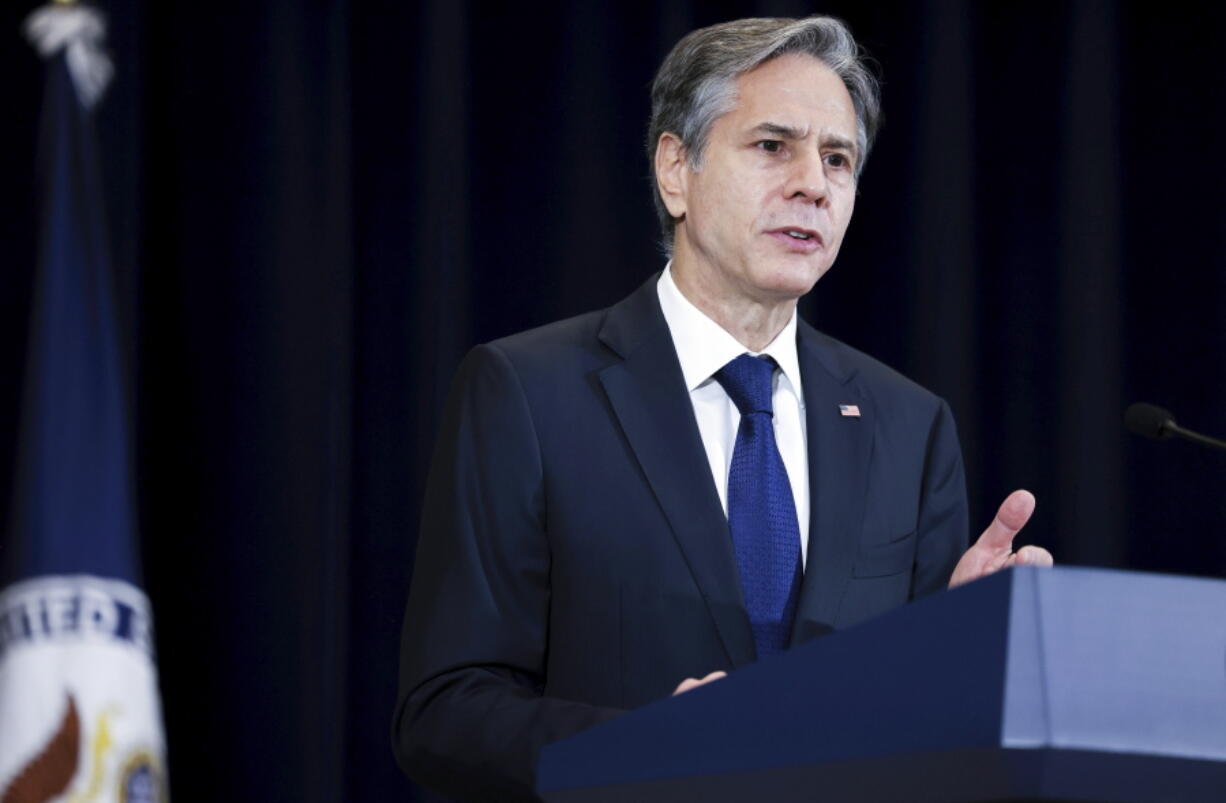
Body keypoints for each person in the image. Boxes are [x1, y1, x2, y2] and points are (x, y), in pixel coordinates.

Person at [392, 15, 1052, 802]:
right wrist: (643, 745)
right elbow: (444, 714)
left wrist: (955, 655)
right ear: (677, 169)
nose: (814, 181)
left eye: (837, 158)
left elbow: (925, 743)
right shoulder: (528, 392)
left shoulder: (908, 426)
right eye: (774, 146)